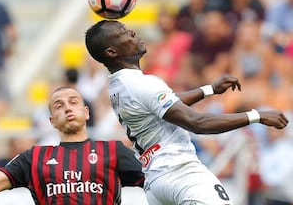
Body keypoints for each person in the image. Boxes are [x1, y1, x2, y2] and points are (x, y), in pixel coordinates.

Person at [85, 19, 288, 205]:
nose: (132, 32)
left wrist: (209, 90)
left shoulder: (118, 86)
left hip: (156, 183)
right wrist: (257, 116)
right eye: (124, 33)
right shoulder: (142, 84)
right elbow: (197, 123)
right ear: (111, 52)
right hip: (181, 173)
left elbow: (167, 105)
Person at [0, 87, 145, 205]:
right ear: (52, 121)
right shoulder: (34, 157)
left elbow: (156, 181)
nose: (67, 108)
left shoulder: (113, 151)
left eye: (73, 102)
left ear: (86, 112)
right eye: (59, 106)